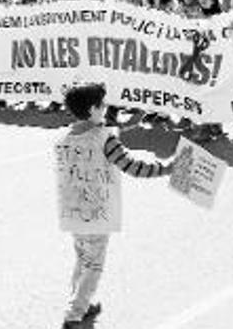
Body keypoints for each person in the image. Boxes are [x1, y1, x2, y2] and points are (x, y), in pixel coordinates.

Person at [56, 84, 176, 329]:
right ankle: (75, 312)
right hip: (96, 214)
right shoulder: (105, 139)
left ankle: (82, 302)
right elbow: (133, 167)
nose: (106, 108)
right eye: (103, 105)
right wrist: (166, 168)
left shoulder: (64, 138)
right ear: (92, 109)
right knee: (94, 265)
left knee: (82, 259)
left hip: (71, 213)